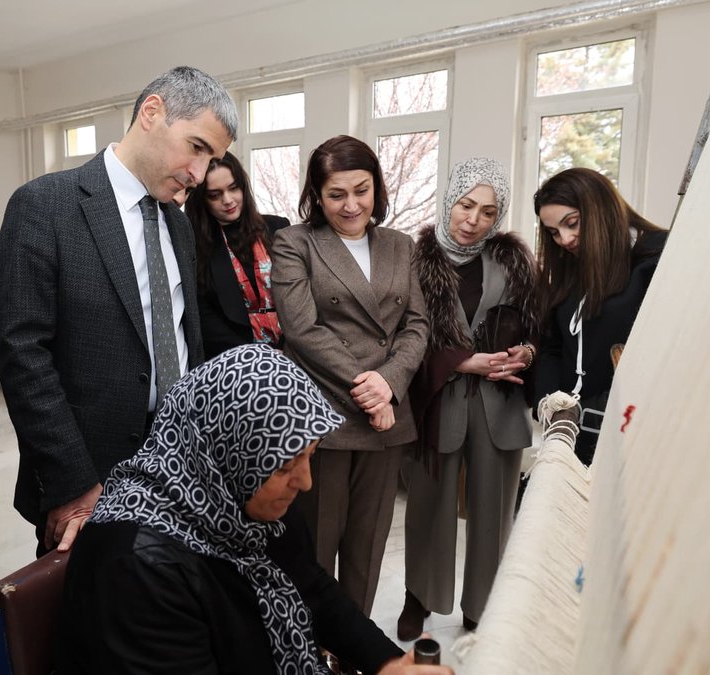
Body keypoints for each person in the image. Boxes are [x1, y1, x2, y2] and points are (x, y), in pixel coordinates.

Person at [56, 345, 455, 675]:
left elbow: (314, 590)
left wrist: (390, 663)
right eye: (284, 466)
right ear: (225, 455)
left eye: (309, 457)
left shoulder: (239, 502)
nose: (305, 482)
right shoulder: (138, 569)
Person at [0, 66, 237, 558]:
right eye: (195, 147)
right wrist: (72, 482)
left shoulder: (179, 223)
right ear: (152, 113)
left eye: (211, 158)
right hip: (89, 471)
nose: (198, 172)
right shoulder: (45, 206)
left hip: (177, 463)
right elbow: (24, 356)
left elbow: (186, 344)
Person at [270, 135, 429, 617]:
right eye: (336, 194)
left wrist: (390, 384)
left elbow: (417, 324)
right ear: (316, 195)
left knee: (367, 550)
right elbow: (301, 330)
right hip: (325, 419)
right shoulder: (295, 243)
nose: (351, 204)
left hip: (387, 418)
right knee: (316, 548)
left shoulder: (401, 245)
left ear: (376, 188)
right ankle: (311, 652)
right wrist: (369, 388)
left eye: (361, 190)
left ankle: (351, 655)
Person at [398, 158, 538, 639]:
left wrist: (527, 351)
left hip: (500, 404)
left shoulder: (514, 261)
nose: (472, 219)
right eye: (465, 205)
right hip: (438, 401)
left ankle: (482, 606)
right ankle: (419, 596)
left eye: (487, 211)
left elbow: (539, 326)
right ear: (449, 200)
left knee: (493, 512)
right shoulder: (411, 260)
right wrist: (461, 361)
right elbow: (400, 336)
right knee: (427, 508)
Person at [531, 167, 669, 465]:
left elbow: (664, 355)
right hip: (569, 436)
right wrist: (551, 404)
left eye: (572, 223)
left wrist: (587, 411)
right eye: (554, 232)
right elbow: (554, 348)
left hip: (630, 434)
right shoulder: (571, 269)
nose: (564, 239)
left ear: (600, 209)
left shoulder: (657, 256)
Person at [186, 150, 290, 358]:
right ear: (202, 200)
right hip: (237, 360)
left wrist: (289, 351)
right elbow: (205, 319)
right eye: (215, 195)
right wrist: (256, 356)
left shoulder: (278, 228)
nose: (228, 200)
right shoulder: (195, 245)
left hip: (292, 352)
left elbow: (299, 299)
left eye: (233, 188)